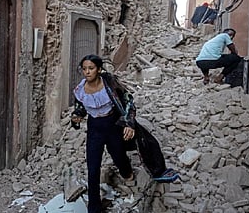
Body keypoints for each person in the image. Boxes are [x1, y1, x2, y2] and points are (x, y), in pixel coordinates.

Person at [71, 54, 178, 213]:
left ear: (99, 70)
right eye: (84, 69)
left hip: (113, 124)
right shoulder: (80, 90)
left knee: (118, 154)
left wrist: (129, 123)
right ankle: (94, 208)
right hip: (95, 128)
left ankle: (127, 173)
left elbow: (128, 101)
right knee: (93, 167)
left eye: (91, 68)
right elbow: (80, 107)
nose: (87, 72)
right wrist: (77, 116)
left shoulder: (110, 84)